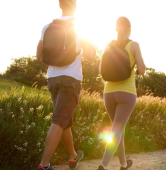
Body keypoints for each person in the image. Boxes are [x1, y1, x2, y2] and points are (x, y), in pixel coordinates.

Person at [35, 0, 96, 169]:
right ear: (75, 6)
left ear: (60, 6)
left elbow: (38, 55)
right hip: (71, 79)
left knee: (64, 121)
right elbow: (91, 55)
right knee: (59, 121)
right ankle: (44, 165)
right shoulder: (78, 26)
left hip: (52, 79)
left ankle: (73, 156)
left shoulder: (48, 26)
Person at [98, 16, 146, 170]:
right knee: (117, 131)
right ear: (129, 29)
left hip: (109, 93)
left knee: (118, 130)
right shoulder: (134, 45)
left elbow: (100, 70)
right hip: (126, 93)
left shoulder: (109, 45)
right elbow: (143, 70)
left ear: (116, 28)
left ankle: (123, 164)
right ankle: (103, 165)